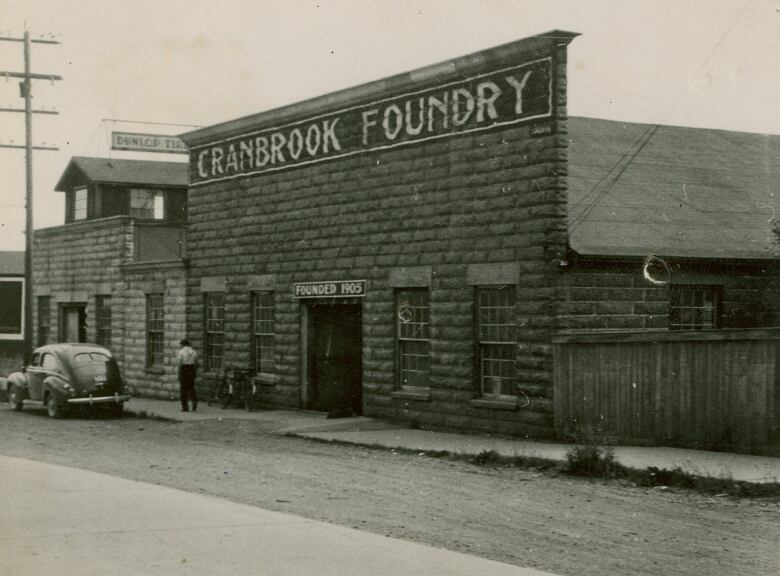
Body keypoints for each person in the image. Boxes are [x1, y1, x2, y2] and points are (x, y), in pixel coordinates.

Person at [176, 338, 198, 412]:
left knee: (183, 389)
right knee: (191, 387)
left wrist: (178, 374)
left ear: (182, 344)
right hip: (191, 369)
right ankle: (194, 401)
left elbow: (179, 364)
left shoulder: (181, 352)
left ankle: (185, 407)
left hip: (184, 369)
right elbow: (196, 363)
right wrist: (194, 372)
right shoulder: (193, 352)